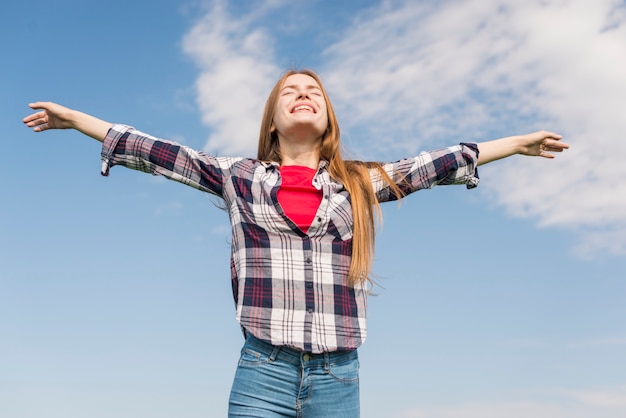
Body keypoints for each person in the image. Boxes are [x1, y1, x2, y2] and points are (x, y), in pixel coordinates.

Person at [23, 69, 569, 418]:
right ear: (274, 118)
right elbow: (160, 151)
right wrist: (77, 121)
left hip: (339, 377)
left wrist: (514, 143)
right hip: (263, 371)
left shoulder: (358, 183)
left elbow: (434, 165)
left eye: (314, 92)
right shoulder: (237, 176)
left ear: (327, 115)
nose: (304, 95)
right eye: (291, 91)